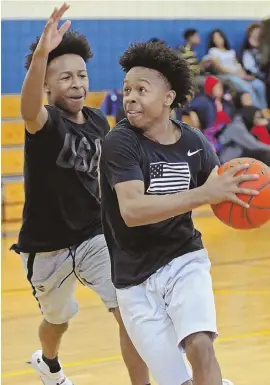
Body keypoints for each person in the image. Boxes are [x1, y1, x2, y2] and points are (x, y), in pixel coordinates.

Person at [100, 41, 259, 385]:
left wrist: (250, 196)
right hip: (133, 278)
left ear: (169, 97)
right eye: (127, 89)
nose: (130, 97)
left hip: (184, 259)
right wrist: (203, 193)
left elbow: (225, 191)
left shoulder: (196, 143)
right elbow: (132, 210)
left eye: (142, 90)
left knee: (201, 346)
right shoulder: (120, 142)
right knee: (178, 382)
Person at [10, 4, 150, 385]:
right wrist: (41, 54)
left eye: (82, 75)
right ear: (47, 86)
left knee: (127, 309)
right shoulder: (45, 122)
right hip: (47, 247)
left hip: (93, 236)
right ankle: (48, 362)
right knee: (58, 319)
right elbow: (27, 109)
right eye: (65, 77)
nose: (76, 83)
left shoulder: (96, 120)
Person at [207, 29, 267, 108]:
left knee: (259, 85)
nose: (218, 40)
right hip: (227, 76)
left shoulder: (231, 51)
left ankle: (265, 109)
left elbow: (237, 65)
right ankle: (257, 111)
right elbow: (221, 68)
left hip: (238, 74)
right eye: (215, 38)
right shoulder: (213, 51)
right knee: (248, 88)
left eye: (219, 37)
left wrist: (245, 75)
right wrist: (236, 74)